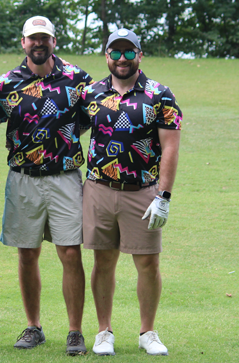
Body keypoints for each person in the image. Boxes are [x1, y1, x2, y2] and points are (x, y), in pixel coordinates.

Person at [0, 16, 93, 355]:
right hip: (23, 179)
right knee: (27, 253)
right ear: (23, 43)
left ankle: (75, 331)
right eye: (32, 38)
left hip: (64, 177)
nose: (38, 44)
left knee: (69, 252)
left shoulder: (77, 78)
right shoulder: (5, 84)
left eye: (44, 38)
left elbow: (100, 115)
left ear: (54, 41)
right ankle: (33, 326)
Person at [80, 28, 182, 356]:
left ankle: (147, 332)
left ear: (139, 54)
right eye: (115, 52)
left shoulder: (159, 94)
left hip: (142, 191)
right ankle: (103, 331)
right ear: (106, 55)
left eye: (128, 52)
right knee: (103, 261)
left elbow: (170, 149)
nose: (121, 59)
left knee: (148, 264)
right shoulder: (91, 93)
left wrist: (163, 197)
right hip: (98, 188)